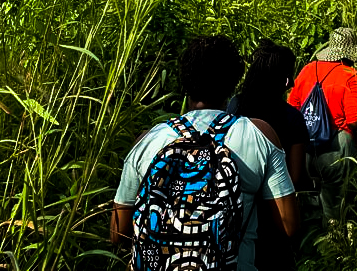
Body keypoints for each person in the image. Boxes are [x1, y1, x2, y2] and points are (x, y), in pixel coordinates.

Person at [111, 35, 300, 271]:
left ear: (185, 82)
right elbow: (288, 225)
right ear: (233, 83)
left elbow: (118, 232)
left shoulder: (148, 141)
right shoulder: (258, 135)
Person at [229, 39, 310, 270]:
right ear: (281, 80)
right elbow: (294, 178)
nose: (292, 83)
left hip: (235, 214)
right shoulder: (292, 119)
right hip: (275, 217)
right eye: (288, 78)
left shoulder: (235, 107)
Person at [287, 27, 357, 221]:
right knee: (338, 209)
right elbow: (355, 120)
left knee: (312, 208)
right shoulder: (350, 74)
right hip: (337, 149)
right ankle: (338, 247)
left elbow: (292, 108)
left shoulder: (308, 69)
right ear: (350, 53)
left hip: (305, 151)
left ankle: (313, 248)